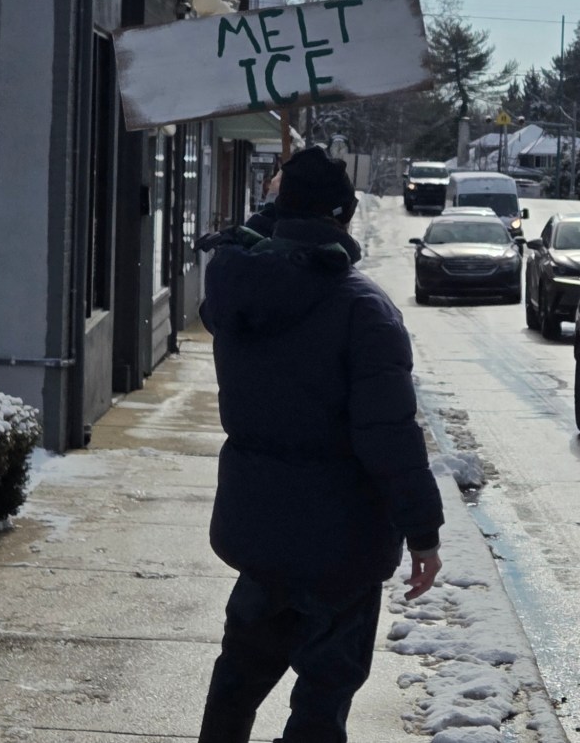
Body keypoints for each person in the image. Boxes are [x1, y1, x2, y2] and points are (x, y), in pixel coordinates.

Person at [196, 146, 445, 743]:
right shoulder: (362, 309)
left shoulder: (236, 289)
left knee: (236, 683)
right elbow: (389, 437)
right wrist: (424, 533)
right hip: (341, 542)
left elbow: (251, 254)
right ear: (344, 216)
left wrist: (270, 215)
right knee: (322, 703)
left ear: (278, 207)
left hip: (259, 529)